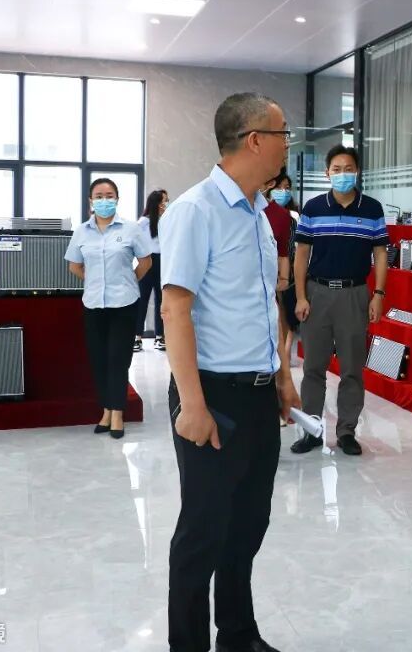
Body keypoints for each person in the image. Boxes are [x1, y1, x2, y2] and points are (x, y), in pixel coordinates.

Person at [159, 92, 289, 652]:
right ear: (255, 140)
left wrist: (281, 376)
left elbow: (262, 301)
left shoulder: (259, 213)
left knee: (248, 524)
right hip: (211, 394)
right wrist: (192, 404)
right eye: (283, 134)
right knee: (203, 532)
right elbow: (175, 308)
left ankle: (237, 634)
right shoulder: (196, 210)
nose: (288, 145)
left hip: (257, 393)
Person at [291, 144, 389, 456]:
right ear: (327, 173)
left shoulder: (371, 209)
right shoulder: (313, 208)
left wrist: (378, 294)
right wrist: (300, 296)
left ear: (357, 172)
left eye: (348, 169)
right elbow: (301, 255)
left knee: (352, 369)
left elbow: (380, 254)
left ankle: (347, 431)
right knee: (313, 368)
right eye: (337, 169)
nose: (342, 174)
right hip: (317, 294)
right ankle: (312, 431)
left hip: (354, 295)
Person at [64, 178, 152, 440]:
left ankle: (117, 413)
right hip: (94, 304)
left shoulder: (131, 229)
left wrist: (128, 281)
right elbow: (74, 266)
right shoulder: (82, 231)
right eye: (99, 196)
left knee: (118, 358)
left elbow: (146, 262)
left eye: (109, 195)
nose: (104, 200)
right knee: (99, 359)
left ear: (117, 199)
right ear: (91, 201)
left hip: (124, 303)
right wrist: (94, 281)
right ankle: (106, 410)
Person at [261, 169, 302, 425]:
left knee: (280, 326)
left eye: (286, 187)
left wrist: (285, 280)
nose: (282, 191)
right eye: (279, 186)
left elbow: (286, 252)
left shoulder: (284, 216)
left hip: (276, 284)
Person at [135, 188, 169, 353]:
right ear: (156, 203)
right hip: (147, 261)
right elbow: (134, 241)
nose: (166, 204)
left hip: (163, 262)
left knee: (161, 301)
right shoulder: (143, 222)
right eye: (164, 201)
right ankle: (137, 337)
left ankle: (159, 337)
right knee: (142, 300)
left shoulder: (166, 220)